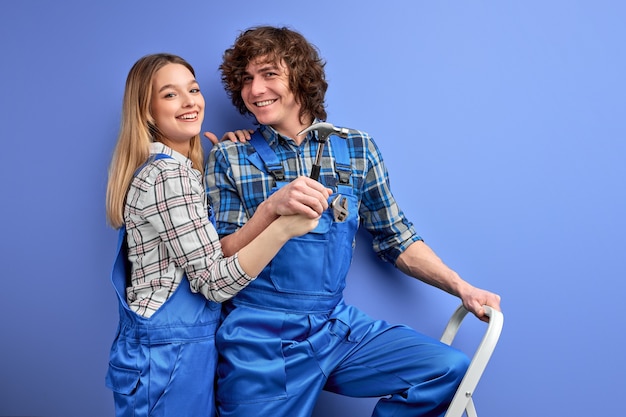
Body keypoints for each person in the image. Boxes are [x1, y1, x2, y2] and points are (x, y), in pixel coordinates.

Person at [205, 26, 502, 417]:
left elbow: (396, 237)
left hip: (335, 327)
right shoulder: (231, 157)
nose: (255, 89)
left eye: (269, 74)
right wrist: (270, 209)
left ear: (300, 76)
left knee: (446, 368)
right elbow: (219, 258)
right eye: (246, 79)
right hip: (259, 339)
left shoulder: (357, 148)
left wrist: (461, 287)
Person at [103, 53, 319, 417]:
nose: (190, 101)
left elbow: (208, 255)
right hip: (169, 353)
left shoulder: (175, 172)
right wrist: (282, 228)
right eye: (170, 95)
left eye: (194, 89)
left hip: (175, 347)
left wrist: (266, 209)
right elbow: (214, 283)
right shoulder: (168, 177)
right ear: (146, 111)